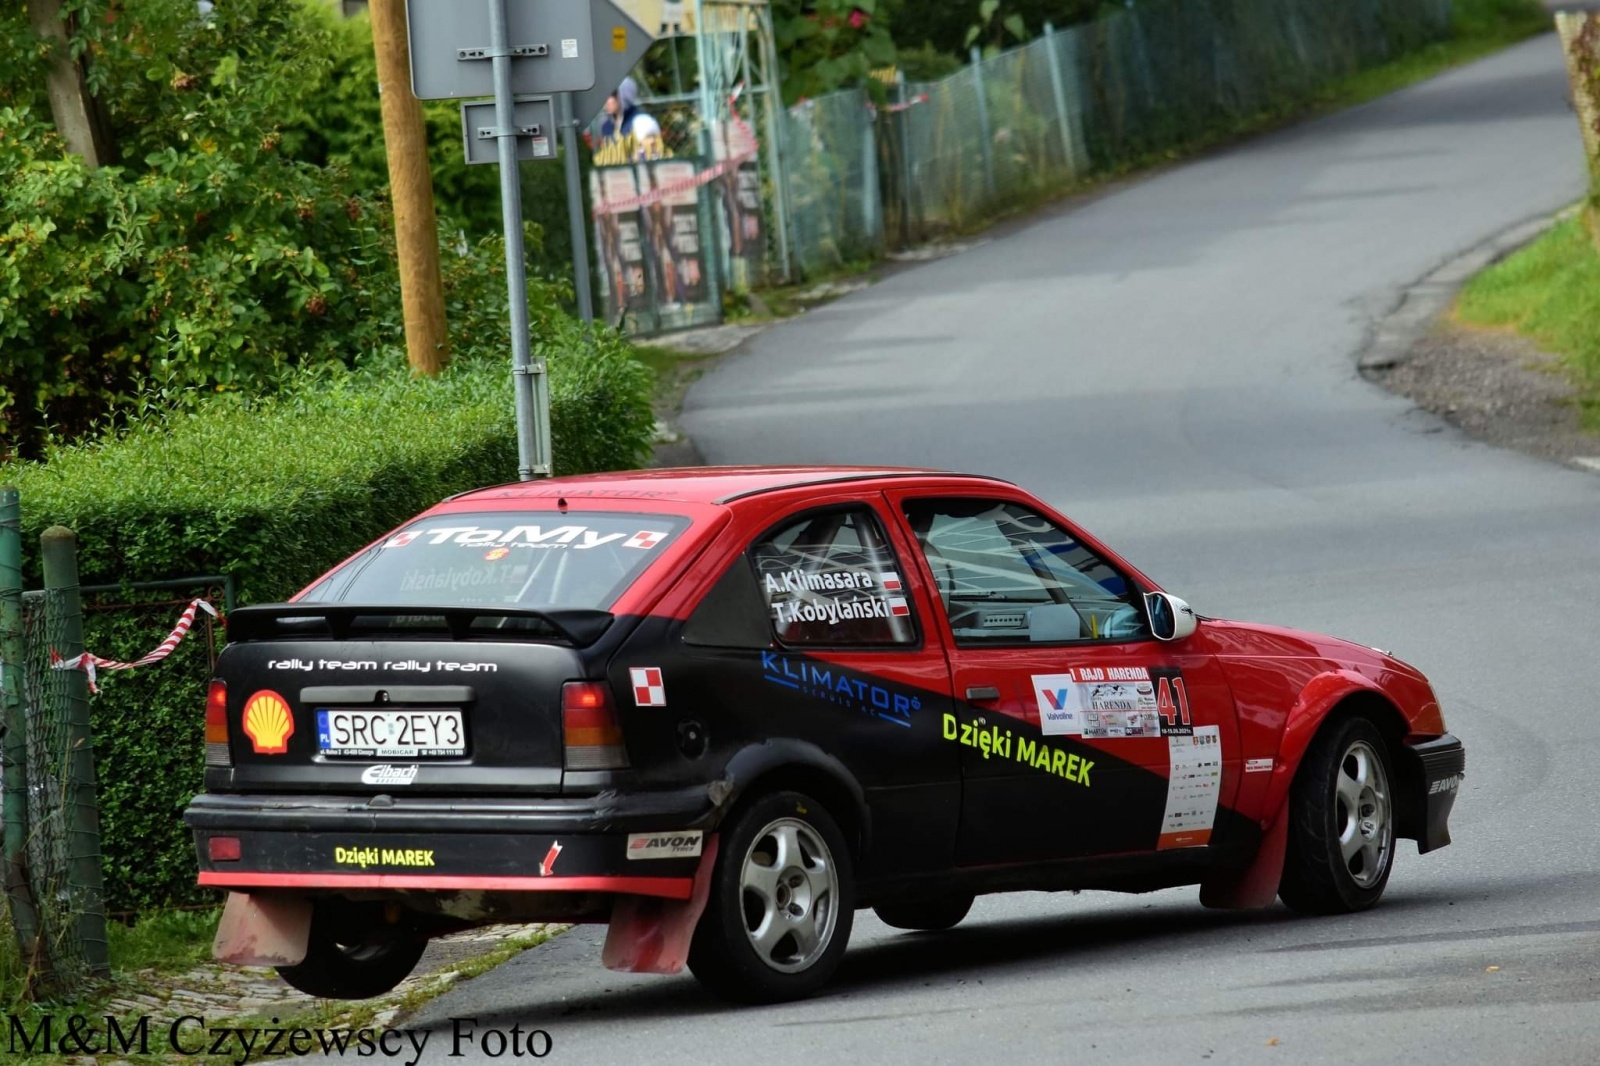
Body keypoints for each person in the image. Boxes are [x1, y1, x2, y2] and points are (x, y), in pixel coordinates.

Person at [594, 77, 667, 165]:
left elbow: (653, 157)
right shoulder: (606, 126)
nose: (607, 100)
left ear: (624, 95)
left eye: (613, 95)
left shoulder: (643, 122)